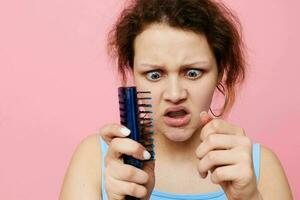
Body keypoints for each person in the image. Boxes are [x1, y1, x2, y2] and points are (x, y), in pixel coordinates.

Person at [59, 0, 293, 199]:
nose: (174, 94)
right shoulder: (94, 160)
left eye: (192, 73)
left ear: (219, 72)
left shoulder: (261, 168)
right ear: (134, 74)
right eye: (154, 74)